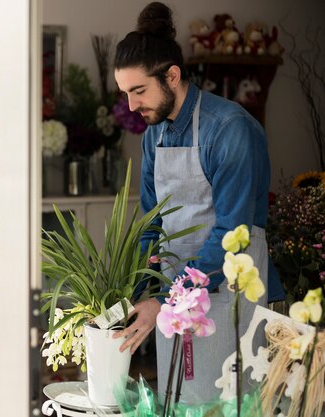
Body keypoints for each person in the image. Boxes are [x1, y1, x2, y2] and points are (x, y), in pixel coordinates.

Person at [110, 2, 285, 403]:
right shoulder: (153, 136)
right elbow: (151, 222)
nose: (132, 107)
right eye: (126, 94)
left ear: (172, 75)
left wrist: (166, 299)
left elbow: (232, 235)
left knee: (229, 403)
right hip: (175, 295)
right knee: (183, 400)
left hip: (233, 293)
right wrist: (142, 293)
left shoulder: (230, 129)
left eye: (139, 91)